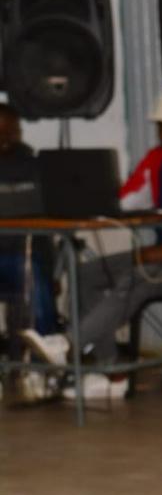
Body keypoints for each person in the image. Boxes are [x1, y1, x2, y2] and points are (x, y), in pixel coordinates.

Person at [22, 86, 162, 399]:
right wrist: (91, 196)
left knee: (135, 277)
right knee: (86, 274)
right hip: (161, 258)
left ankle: (67, 345)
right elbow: (125, 202)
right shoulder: (158, 160)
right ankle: (111, 373)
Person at [0, 103, 59, 354]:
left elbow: (49, 223)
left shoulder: (35, 166)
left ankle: (44, 358)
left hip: (25, 259)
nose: (5, 138)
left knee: (31, 272)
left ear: (19, 132)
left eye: (10, 132)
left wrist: (54, 272)